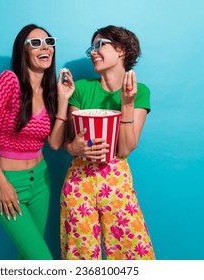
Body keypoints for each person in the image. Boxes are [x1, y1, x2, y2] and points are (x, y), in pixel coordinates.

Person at [0, 24, 74, 260]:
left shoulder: (50, 90)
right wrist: (1, 183)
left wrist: (63, 100)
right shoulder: (8, 81)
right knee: (42, 261)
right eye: (35, 43)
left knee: (28, 262)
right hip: (10, 182)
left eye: (49, 41)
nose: (45, 47)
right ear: (23, 52)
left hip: (41, 181)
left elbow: (53, 143)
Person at [60, 25, 155, 260]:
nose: (93, 52)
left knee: (131, 253)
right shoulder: (80, 88)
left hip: (117, 180)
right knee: (80, 257)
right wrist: (74, 148)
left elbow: (124, 149)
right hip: (79, 181)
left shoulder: (139, 92)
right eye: (91, 48)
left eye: (99, 45)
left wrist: (126, 104)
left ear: (121, 49)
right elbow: (70, 142)